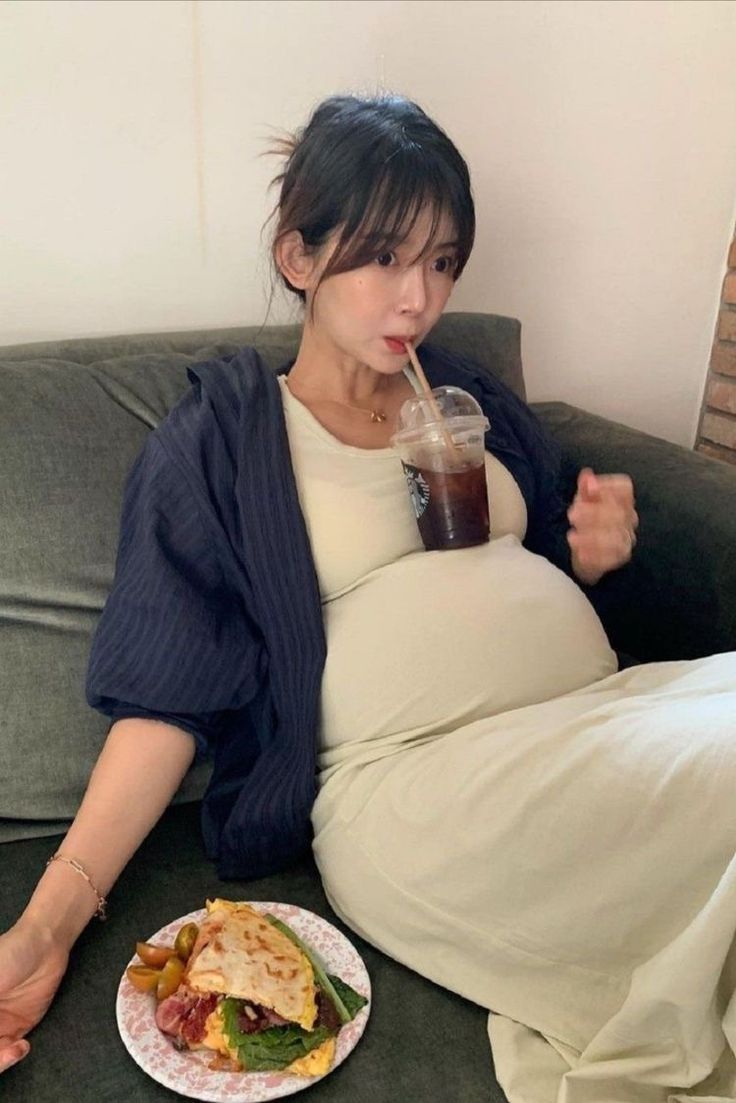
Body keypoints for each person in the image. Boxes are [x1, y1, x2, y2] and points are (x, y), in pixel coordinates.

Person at [1, 92, 735, 1103]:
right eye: (384, 256)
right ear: (300, 258)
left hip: (590, 719)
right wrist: (46, 921)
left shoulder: (461, 391)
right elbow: (167, 696)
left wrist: (596, 549)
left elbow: (550, 561)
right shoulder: (224, 440)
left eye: (441, 263)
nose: (417, 299)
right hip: (424, 787)